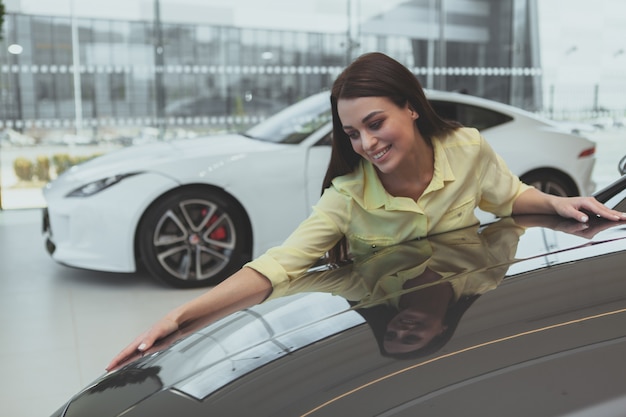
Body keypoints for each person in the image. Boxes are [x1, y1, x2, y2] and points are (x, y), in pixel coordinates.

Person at [106, 52, 626, 371]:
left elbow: (508, 196)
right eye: (353, 132)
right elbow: (277, 267)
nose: (366, 143)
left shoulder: (467, 148)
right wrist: (178, 316)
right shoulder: (347, 197)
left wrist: (558, 201)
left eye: (376, 123)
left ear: (412, 107)